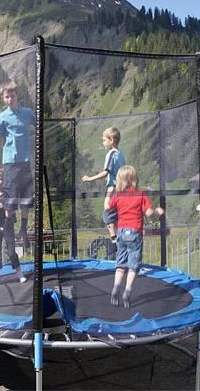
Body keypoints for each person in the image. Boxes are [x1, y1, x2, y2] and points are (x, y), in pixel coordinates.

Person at [0, 80, 35, 249]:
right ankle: (9, 234)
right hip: (10, 164)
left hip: (25, 162)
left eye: (12, 96)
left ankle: (23, 229)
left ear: (16, 96)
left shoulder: (27, 113)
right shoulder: (3, 117)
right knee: (10, 203)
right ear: (3, 99)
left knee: (26, 200)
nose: (10, 99)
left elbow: (38, 126)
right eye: (7, 97)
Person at [105, 165, 164, 308]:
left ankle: (115, 288)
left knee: (120, 264)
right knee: (133, 265)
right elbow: (149, 213)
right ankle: (127, 291)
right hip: (135, 233)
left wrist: (108, 194)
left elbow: (107, 208)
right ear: (134, 179)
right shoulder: (140, 194)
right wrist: (157, 211)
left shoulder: (118, 195)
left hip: (121, 232)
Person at [82, 127, 125, 244]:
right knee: (116, 214)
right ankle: (119, 237)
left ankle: (114, 238)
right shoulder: (121, 154)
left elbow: (106, 172)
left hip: (113, 188)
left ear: (111, 140)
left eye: (104, 140)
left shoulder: (111, 154)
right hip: (122, 189)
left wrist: (90, 178)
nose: (103, 143)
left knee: (107, 211)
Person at [0, 168, 27, 285]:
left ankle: (20, 274)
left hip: (8, 228)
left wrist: (4, 207)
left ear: (4, 181)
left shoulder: (8, 196)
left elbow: (10, 213)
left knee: (12, 252)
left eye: (0, 179)